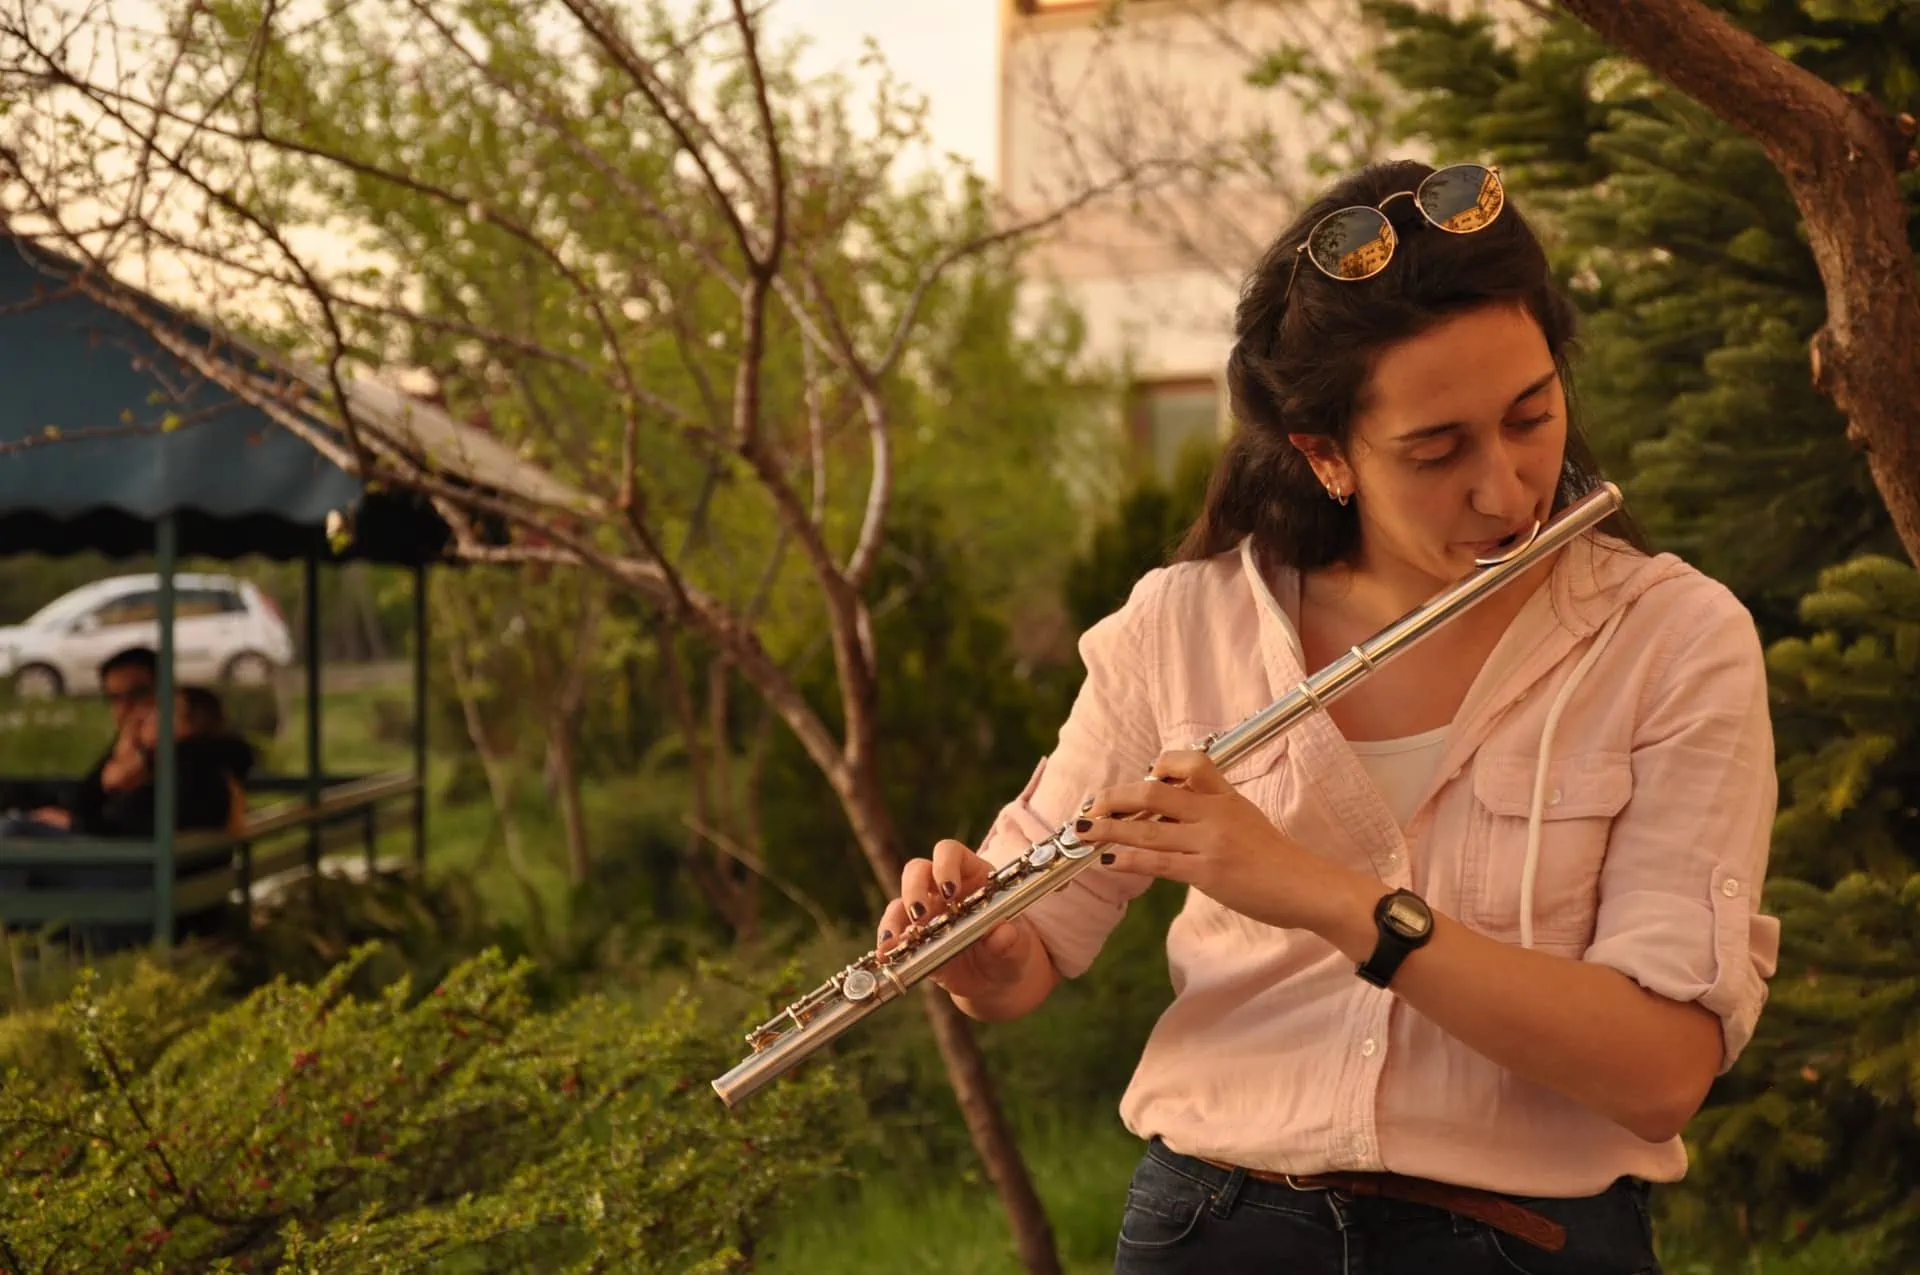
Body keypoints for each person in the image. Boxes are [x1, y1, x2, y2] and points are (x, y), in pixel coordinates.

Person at [876, 160, 1779, 1274]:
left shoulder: (1672, 638)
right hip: (1210, 1228)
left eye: (1531, 415)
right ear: (1325, 454)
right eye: (1437, 451)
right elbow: (1024, 965)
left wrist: (1323, 895)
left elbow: (1658, 1073)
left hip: (1524, 1243)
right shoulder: (1183, 626)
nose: (1506, 489)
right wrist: (975, 945)